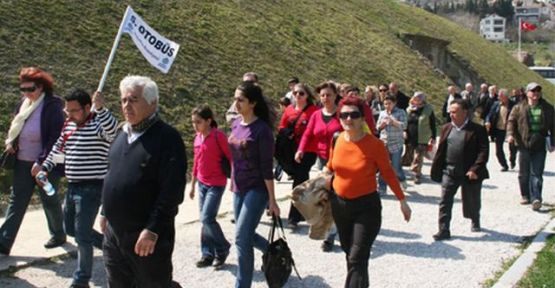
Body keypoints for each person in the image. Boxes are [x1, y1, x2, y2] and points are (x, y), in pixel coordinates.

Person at [100, 76, 186, 287]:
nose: (126, 105)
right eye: (123, 100)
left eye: (134, 99)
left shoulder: (167, 138)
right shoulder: (122, 134)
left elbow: (172, 191)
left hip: (145, 236)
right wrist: (105, 211)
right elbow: (112, 175)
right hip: (114, 235)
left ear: (153, 102)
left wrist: (153, 229)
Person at [323, 95, 411, 288]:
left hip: (366, 208)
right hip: (340, 205)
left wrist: (402, 200)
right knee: (352, 255)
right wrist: (321, 176)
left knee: (356, 257)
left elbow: (388, 173)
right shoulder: (337, 140)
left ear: (363, 118)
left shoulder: (375, 145)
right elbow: (330, 165)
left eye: (354, 115)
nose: (348, 119)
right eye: (344, 115)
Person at [40, 89, 118, 287]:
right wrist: (45, 168)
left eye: (74, 111)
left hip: (92, 186)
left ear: (86, 107)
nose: (70, 115)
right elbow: (58, 149)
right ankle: (112, 246)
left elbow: (113, 132)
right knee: (70, 229)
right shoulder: (69, 127)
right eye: (68, 111)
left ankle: (81, 279)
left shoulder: (98, 124)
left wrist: (101, 109)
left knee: (82, 234)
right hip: (73, 186)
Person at [0, 67, 66, 255]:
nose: (27, 93)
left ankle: (58, 234)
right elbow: (16, 126)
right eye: (24, 89)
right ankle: (4, 242)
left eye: (31, 89)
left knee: (50, 198)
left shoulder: (53, 105)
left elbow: (56, 137)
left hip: (46, 165)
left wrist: (41, 162)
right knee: (17, 200)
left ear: (42, 86)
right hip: (22, 162)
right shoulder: (24, 104)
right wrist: (12, 143)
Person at [228, 81, 280, 288]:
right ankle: (270, 249)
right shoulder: (235, 124)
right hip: (238, 186)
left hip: (257, 189)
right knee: (245, 234)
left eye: (241, 100)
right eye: (235, 99)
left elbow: (267, 168)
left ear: (253, 103)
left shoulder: (262, 130)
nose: (236, 103)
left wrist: (272, 201)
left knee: (241, 238)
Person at [431, 99, 489, 240]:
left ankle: (475, 218)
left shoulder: (477, 130)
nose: (451, 114)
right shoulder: (446, 128)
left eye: (454, 112)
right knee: (445, 200)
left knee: (472, 200)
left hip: (469, 172)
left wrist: (475, 169)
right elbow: (442, 150)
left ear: (465, 112)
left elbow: (484, 151)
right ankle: (444, 229)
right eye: (450, 112)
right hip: (449, 171)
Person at [295, 81, 342, 252]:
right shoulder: (316, 115)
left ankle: (331, 235)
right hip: (322, 161)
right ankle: (328, 229)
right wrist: (300, 149)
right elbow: (308, 134)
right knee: (323, 197)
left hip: (341, 161)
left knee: (335, 197)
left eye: (328, 95)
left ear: (336, 95)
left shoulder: (343, 115)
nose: (325, 98)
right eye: (322, 95)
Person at [188, 104, 232, 269]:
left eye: (198, 122)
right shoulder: (197, 138)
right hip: (201, 183)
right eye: (193, 122)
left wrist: (235, 179)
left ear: (208, 121)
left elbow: (231, 157)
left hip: (216, 183)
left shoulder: (218, 136)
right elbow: (196, 163)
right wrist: (192, 185)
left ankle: (223, 248)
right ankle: (207, 254)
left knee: (207, 217)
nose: (195, 125)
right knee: (205, 220)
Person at [507, 82, 554, 211]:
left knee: (537, 173)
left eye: (538, 91)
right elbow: (511, 122)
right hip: (523, 143)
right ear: (527, 93)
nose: (535, 93)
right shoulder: (518, 108)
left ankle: (536, 198)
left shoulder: (548, 108)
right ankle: (525, 195)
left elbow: (553, 126)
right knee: (524, 173)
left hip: (539, 143)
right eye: (533, 91)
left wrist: (553, 142)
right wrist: (510, 135)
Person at [278, 83, 319, 229]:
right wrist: (287, 133)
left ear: (307, 95)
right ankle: (306, 210)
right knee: (301, 181)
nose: (297, 96)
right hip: (290, 151)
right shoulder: (289, 110)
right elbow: (281, 126)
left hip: (307, 152)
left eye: (301, 93)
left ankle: (293, 218)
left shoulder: (314, 111)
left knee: (298, 181)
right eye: (295, 93)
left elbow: (316, 131)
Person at [377, 95, 408, 193]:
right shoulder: (382, 113)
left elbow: (404, 125)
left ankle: (402, 178)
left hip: (396, 144)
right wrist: (381, 125)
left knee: (395, 167)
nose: (387, 106)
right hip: (384, 143)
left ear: (394, 103)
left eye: (389, 103)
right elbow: (377, 127)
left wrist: (393, 122)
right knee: (383, 166)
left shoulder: (401, 112)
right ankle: (382, 187)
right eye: (385, 104)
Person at [405, 92, 437, 184]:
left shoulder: (428, 109)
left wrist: (433, 137)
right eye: (415, 98)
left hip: (423, 137)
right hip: (410, 136)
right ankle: (414, 170)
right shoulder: (409, 109)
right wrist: (404, 131)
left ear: (423, 99)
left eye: (419, 98)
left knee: (418, 156)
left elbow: (432, 124)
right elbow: (405, 122)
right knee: (409, 156)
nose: (417, 99)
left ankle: (417, 175)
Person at [485, 89, 515, 171]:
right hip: (499, 129)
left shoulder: (513, 105)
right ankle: (504, 165)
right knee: (498, 150)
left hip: (510, 130)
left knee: (513, 148)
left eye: (500, 96)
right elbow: (489, 114)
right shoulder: (496, 104)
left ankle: (512, 160)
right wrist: (487, 121)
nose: (498, 98)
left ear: (505, 97)